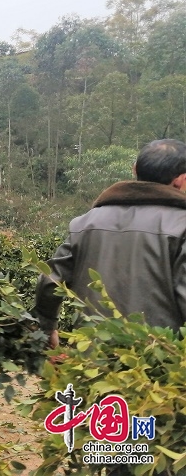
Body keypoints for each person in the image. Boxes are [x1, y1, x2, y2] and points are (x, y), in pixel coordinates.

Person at [34, 138, 186, 349]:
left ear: (134, 170)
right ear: (180, 180)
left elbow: (51, 280)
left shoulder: (86, 223)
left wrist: (46, 328)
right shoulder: (182, 226)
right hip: (159, 368)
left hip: (92, 363)